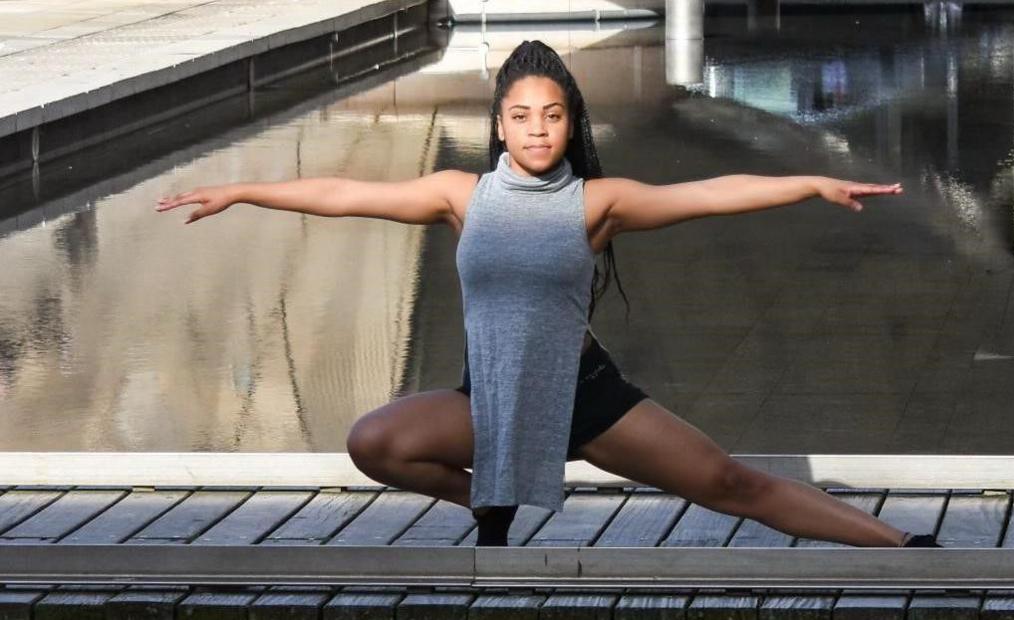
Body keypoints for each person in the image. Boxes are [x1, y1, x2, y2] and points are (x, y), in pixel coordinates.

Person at [155, 40, 941, 549]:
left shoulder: (597, 203)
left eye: (553, 116)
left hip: (582, 396)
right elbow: (342, 191)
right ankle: (487, 502)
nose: (537, 129)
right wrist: (244, 191)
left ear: (570, 124)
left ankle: (902, 548)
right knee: (375, 443)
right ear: (500, 122)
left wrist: (809, 179)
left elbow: (709, 192)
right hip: (491, 400)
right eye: (522, 116)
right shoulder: (458, 194)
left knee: (731, 484)